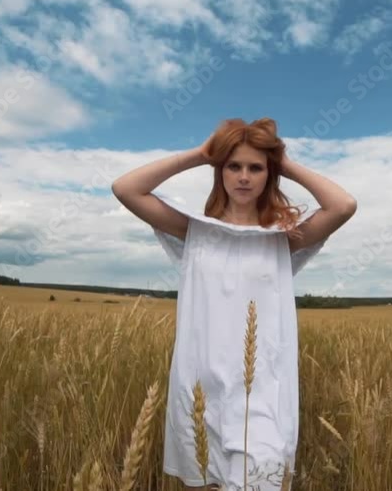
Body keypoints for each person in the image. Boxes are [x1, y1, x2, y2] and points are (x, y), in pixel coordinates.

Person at [112, 118, 357, 490]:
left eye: (256, 168)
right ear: (220, 170)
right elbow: (126, 188)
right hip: (201, 388)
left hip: (262, 392)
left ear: (269, 174)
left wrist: (281, 161)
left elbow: (343, 205)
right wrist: (201, 154)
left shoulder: (282, 239)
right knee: (208, 481)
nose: (244, 177)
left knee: (261, 477)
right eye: (233, 166)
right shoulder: (195, 231)